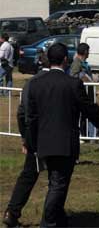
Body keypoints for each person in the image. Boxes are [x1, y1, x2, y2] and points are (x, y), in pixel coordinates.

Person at [26, 43, 99, 226]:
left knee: (55, 181)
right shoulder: (72, 84)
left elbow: (31, 117)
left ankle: (59, 217)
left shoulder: (36, 84)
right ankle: (48, 223)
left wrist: (31, 143)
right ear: (65, 60)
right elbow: (88, 108)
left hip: (44, 142)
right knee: (59, 183)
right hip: (64, 143)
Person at [2, 57, 50, 227]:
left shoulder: (30, 83)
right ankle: (52, 216)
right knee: (56, 178)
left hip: (34, 136)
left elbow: (22, 113)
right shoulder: (60, 81)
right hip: (52, 136)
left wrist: (25, 138)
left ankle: (12, 211)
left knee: (28, 175)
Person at [70, 43, 95, 138]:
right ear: (85, 52)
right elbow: (73, 76)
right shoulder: (77, 63)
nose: (89, 53)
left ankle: (90, 135)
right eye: (88, 51)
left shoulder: (83, 63)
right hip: (80, 94)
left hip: (87, 93)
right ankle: (82, 135)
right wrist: (83, 77)